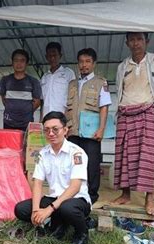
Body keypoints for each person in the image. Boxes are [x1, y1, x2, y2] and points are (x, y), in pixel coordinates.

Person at [112, 32, 154, 215]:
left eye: (139, 39)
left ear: (146, 41)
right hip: (125, 112)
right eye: (132, 39)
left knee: (148, 156)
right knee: (123, 155)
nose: (136, 43)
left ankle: (149, 199)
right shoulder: (123, 66)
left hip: (147, 112)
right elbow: (119, 89)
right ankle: (125, 194)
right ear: (126, 43)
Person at [14, 111, 91, 244]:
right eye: (47, 130)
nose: (51, 133)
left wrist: (49, 210)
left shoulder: (76, 153)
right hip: (54, 199)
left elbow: (75, 187)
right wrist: (36, 210)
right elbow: (37, 183)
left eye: (55, 129)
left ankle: (82, 233)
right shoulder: (42, 154)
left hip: (76, 200)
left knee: (67, 208)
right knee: (21, 209)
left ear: (65, 130)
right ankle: (60, 223)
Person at [66, 48, 112, 204]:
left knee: (92, 164)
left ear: (94, 63)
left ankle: (92, 196)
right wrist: (66, 127)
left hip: (91, 132)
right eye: (81, 61)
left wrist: (101, 129)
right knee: (73, 163)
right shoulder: (72, 84)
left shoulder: (100, 82)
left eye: (87, 61)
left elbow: (104, 106)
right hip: (73, 131)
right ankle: (74, 192)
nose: (84, 65)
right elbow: (68, 108)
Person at [0, 49, 42, 131]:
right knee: (8, 144)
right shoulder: (5, 80)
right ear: (12, 62)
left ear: (27, 63)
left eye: (22, 61)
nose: (19, 64)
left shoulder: (33, 81)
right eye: (16, 60)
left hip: (26, 124)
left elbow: (37, 102)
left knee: (25, 144)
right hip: (8, 123)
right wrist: (13, 109)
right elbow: (4, 100)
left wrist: (25, 111)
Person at [40, 42, 75, 119]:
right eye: (50, 56)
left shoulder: (68, 73)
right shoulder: (44, 77)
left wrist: (67, 116)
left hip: (62, 117)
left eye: (55, 55)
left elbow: (73, 97)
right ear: (46, 57)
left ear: (60, 56)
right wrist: (41, 119)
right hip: (46, 116)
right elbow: (42, 101)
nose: (52, 58)